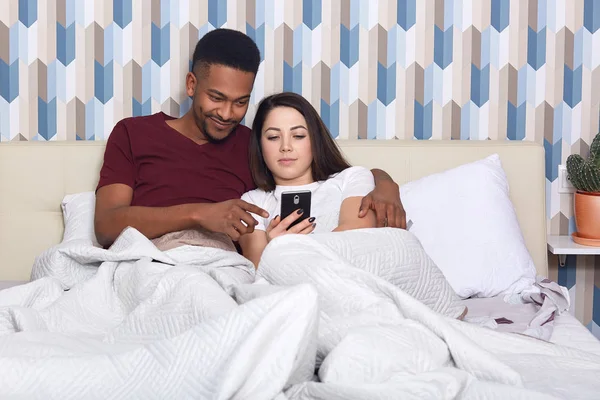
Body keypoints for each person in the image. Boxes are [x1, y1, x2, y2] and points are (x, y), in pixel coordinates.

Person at [94, 28, 406, 250]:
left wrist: (386, 186)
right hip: (145, 256)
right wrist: (201, 213)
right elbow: (107, 226)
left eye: (240, 102)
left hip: (219, 266)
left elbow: (325, 171)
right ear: (191, 84)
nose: (227, 113)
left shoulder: (254, 144)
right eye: (216, 98)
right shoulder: (134, 133)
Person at [239, 92, 383, 267]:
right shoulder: (253, 202)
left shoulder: (352, 178)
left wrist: (292, 250)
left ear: (315, 139)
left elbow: (356, 239)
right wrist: (273, 248)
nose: (286, 147)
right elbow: (254, 270)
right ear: (260, 145)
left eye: (298, 136)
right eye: (273, 137)